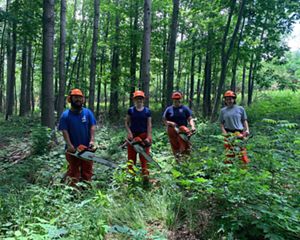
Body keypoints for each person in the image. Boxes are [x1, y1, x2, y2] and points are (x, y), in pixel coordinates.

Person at [58, 88, 97, 185]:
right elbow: (64, 131)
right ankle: (73, 192)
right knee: (73, 172)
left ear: (83, 99)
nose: (78, 100)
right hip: (73, 149)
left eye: (80, 97)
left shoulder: (88, 113)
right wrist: (69, 145)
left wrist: (92, 140)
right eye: (75, 97)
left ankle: (86, 190)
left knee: (87, 171)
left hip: (86, 148)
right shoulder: (65, 115)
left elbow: (92, 126)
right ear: (70, 99)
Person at [125, 90, 152, 184]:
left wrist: (148, 137)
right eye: (137, 99)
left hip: (144, 136)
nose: (139, 100)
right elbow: (126, 123)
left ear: (143, 100)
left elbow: (149, 125)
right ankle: (131, 178)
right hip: (133, 136)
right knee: (131, 159)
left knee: (144, 157)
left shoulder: (147, 111)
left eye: (140, 98)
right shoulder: (131, 110)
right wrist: (129, 132)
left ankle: (145, 177)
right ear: (134, 100)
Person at [219, 90, 250, 164]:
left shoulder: (240, 109)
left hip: (239, 132)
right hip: (228, 132)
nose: (229, 100)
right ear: (225, 100)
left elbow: (244, 120)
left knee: (242, 152)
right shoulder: (223, 111)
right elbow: (221, 123)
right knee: (229, 153)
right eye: (227, 99)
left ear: (234, 99)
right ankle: (228, 171)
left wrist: (247, 130)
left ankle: (244, 169)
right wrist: (224, 133)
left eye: (231, 99)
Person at [163, 91, 196, 158]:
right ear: (173, 99)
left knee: (185, 146)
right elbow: (164, 120)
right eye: (175, 99)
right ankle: (177, 161)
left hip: (182, 130)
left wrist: (193, 126)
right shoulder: (169, 109)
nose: (177, 101)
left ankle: (186, 161)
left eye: (178, 99)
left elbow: (190, 119)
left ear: (180, 99)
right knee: (175, 146)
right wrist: (170, 123)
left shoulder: (185, 108)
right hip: (172, 130)